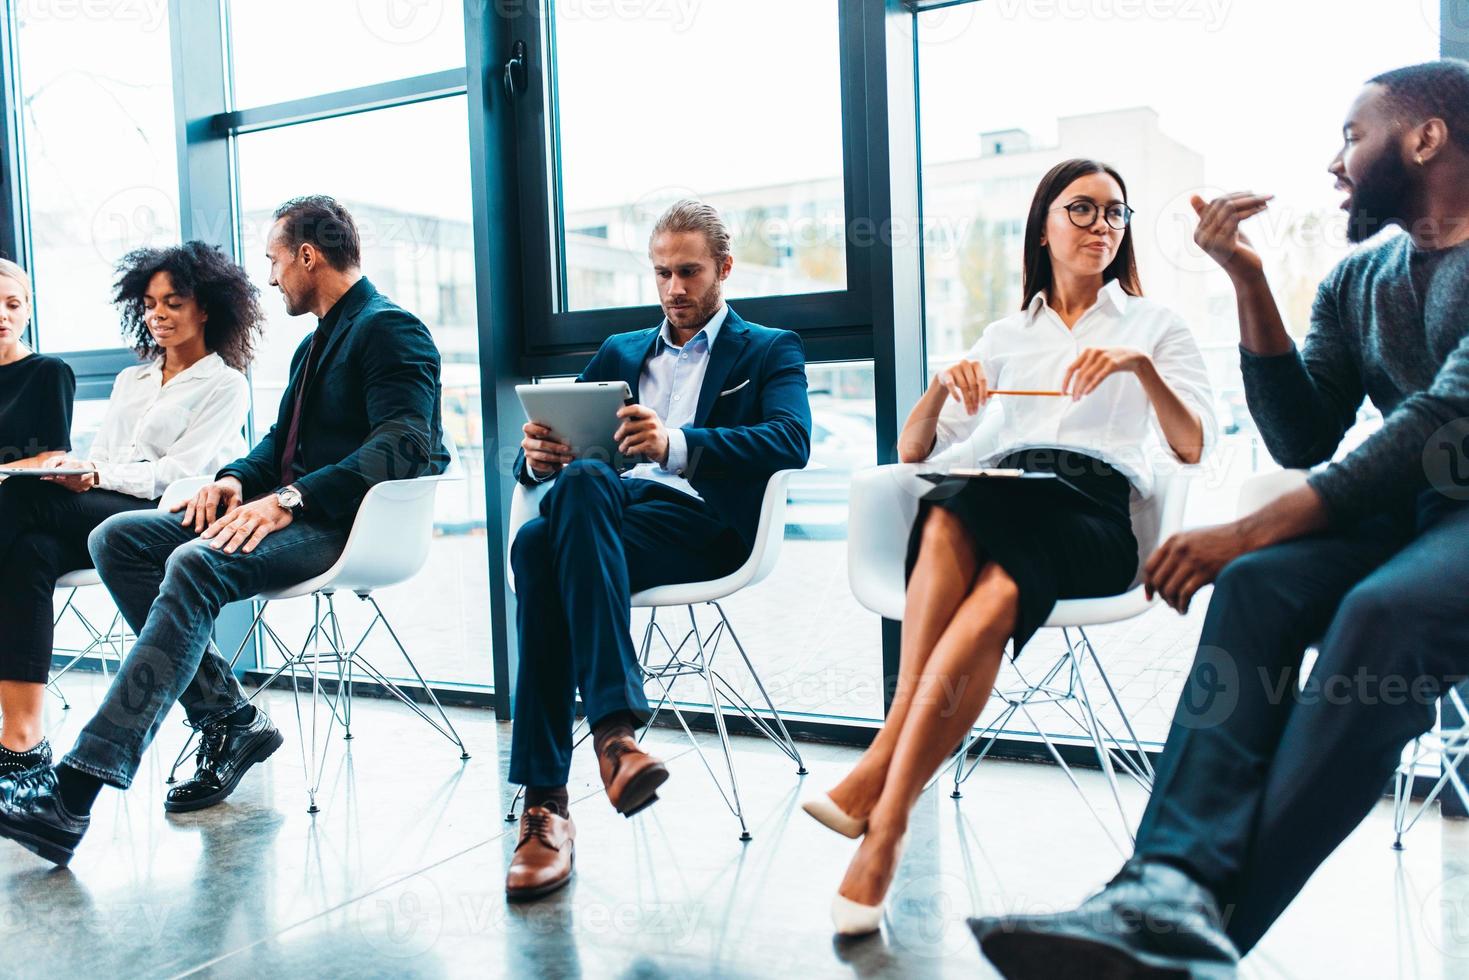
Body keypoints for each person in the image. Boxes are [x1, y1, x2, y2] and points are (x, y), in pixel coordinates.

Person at [972, 60, 1469, 979]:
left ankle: (1191, 941)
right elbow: (1299, 432)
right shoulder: (1358, 280)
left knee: (1376, 616)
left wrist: (1247, 526)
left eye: (1352, 137)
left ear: (1425, 138)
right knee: (1253, 586)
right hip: (1413, 522)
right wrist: (1243, 278)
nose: (1334, 163)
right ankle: (1166, 884)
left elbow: (1444, 422)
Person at [803, 158, 1215, 936]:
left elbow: (1190, 448)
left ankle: (882, 800)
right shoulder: (1003, 334)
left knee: (982, 547)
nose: (1102, 226)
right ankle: (887, 817)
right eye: (1082, 210)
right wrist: (937, 385)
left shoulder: (1155, 328)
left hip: (1094, 512)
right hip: (1003, 493)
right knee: (964, 531)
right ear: (1043, 225)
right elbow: (915, 446)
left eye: (1115, 214)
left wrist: (1139, 369)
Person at [0, 195, 449, 867]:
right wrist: (238, 481)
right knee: (116, 538)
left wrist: (289, 499)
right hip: (299, 509)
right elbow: (276, 447)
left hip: (345, 524)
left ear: (307, 256)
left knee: (195, 564)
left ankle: (76, 787)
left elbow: (409, 443)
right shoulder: (320, 340)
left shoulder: (390, 329)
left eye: (274, 261)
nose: (270, 278)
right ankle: (230, 719)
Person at [504, 199, 812, 901]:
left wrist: (675, 446)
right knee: (570, 490)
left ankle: (546, 806)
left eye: (689, 272)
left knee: (536, 547)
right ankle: (614, 739)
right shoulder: (619, 352)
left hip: (700, 525)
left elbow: (789, 440)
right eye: (662, 273)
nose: (675, 289)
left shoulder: (769, 349)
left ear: (723, 268)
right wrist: (536, 457)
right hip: (608, 519)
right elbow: (554, 444)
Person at [0, 242, 259, 780]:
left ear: (207, 308)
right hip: (103, 506)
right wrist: (84, 471)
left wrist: (96, 474)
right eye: (148, 304)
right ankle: (23, 742)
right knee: (29, 552)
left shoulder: (226, 384)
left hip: (165, 514)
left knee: (20, 498)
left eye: (173, 303)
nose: (157, 315)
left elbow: (177, 472)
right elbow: (104, 457)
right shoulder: (130, 380)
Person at [0, 258, 74, 469]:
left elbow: (50, 459)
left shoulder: (49, 372)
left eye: (13, 305)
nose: (2, 315)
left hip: (21, 496)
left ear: (28, 311)